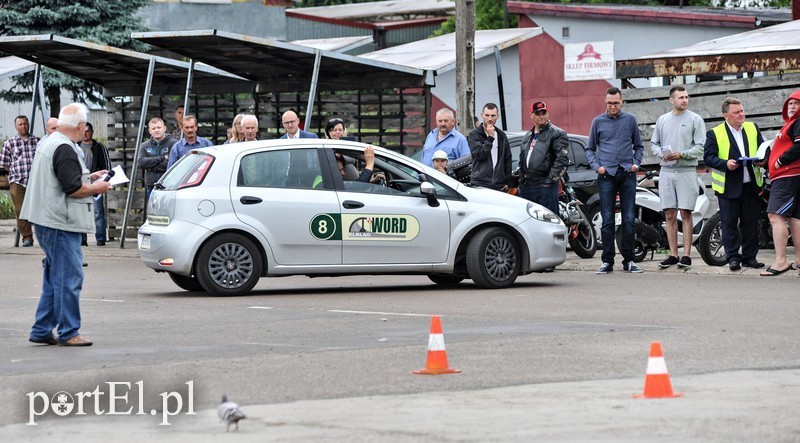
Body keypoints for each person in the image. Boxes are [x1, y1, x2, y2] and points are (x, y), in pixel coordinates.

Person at [21, 103, 112, 347]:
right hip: (60, 222)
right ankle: (69, 332)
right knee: (69, 279)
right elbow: (73, 189)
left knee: (54, 278)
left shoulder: (50, 142)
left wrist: (88, 176)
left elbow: (61, 178)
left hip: (47, 219)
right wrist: (98, 187)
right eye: (85, 125)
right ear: (81, 126)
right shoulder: (64, 148)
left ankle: (41, 329)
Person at [586, 87, 645, 274]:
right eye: (610, 103)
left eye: (616, 103)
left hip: (627, 173)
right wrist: (597, 167)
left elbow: (639, 146)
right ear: (605, 103)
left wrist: (636, 164)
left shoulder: (630, 120)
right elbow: (589, 149)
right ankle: (607, 261)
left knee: (628, 219)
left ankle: (629, 260)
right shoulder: (598, 122)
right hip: (606, 175)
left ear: (622, 102)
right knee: (608, 220)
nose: (613, 106)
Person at [703, 98, 766, 271]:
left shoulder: (752, 128)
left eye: (742, 111)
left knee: (750, 223)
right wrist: (725, 164)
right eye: (736, 112)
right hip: (728, 186)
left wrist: (763, 160)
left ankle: (749, 257)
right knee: (729, 223)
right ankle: (732, 257)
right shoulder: (714, 133)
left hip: (751, 185)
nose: (741, 114)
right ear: (726, 115)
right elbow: (708, 157)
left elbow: (762, 148)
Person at [650, 86, 707, 269]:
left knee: (685, 212)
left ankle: (687, 255)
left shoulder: (695, 119)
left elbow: (700, 147)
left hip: (686, 171)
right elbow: (654, 144)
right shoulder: (662, 120)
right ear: (671, 100)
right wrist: (661, 154)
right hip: (666, 171)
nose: (684, 100)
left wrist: (682, 154)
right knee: (669, 213)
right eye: (681, 97)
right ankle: (673, 254)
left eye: (686, 97)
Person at [761, 90, 800, 276]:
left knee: (776, 216)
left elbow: (799, 147)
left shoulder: (798, 123)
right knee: (794, 218)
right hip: (790, 176)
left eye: (796, 103)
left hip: (786, 176)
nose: (792, 107)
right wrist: (766, 161)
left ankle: (780, 261)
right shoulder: (791, 124)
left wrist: (780, 161)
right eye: (790, 104)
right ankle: (799, 260)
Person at [518, 101, 569, 215]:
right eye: (538, 113)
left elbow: (562, 160)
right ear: (531, 115)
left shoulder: (557, 133)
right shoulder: (527, 136)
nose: (541, 116)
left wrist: (548, 183)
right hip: (528, 185)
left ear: (548, 114)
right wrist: (522, 181)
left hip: (544, 184)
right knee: (527, 222)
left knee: (549, 221)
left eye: (544, 113)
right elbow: (522, 160)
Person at [0, 115, 40, 247]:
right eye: (20, 124)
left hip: (35, 180)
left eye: (25, 124)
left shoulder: (37, 141)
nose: (23, 126)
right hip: (18, 181)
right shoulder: (9, 143)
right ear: (16, 127)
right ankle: (27, 238)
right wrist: (14, 172)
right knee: (20, 209)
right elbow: (5, 164)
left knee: (39, 208)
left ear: (28, 125)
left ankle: (44, 235)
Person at [78, 123, 110, 246]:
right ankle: (82, 239)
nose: (85, 134)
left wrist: (104, 180)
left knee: (98, 211)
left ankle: (101, 238)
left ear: (92, 132)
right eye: (83, 131)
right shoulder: (76, 146)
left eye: (88, 131)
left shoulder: (99, 147)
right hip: (81, 183)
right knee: (81, 212)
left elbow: (106, 166)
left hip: (96, 183)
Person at [468, 103, 512, 191]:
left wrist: (507, 182)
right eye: (487, 115)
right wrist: (490, 138)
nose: (490, 118)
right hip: (480, 183)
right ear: (482, 115)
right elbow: (480, 155)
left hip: (499, 185)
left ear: (497, 116)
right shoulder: (474, 134)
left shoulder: (501, 135)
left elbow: (507, 159)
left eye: (493, 115)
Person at [138, 117, 178, 203]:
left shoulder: (173, 143)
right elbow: (141, 163)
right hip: (151, 187)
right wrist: (162, 158)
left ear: (164, 128)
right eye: (153, 128)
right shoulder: (144, 146)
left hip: (169, 187)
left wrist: (150, 167)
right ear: (150, 131)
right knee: (152, 213)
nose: (156, 130)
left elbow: (171, 165)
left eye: (159, 127)